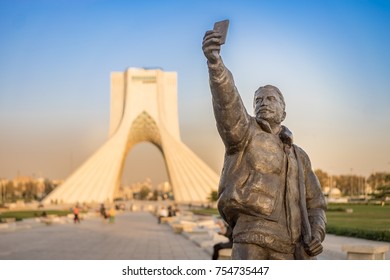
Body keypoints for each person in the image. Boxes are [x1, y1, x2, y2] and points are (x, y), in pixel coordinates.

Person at [202, 27, 326, 260]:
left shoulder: (300, 157)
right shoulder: (244, 134)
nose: (263, 103)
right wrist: (215, 64)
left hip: (293, 248)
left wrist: (316, 234)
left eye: (270, 99)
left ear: (284, 110)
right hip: (252, 238)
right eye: (258, 100)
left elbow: (316, 203)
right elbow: (228, 102)